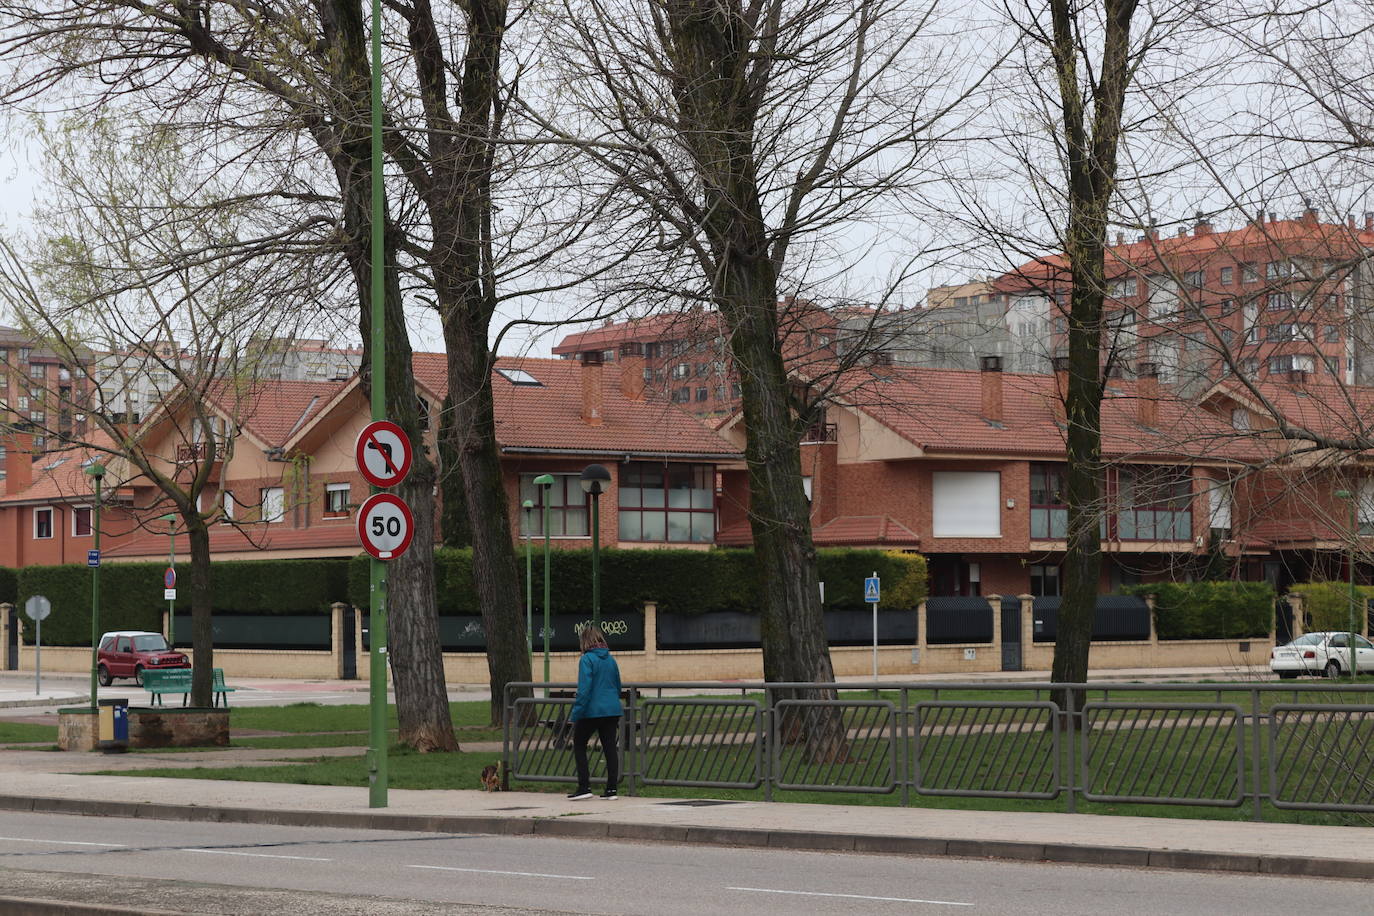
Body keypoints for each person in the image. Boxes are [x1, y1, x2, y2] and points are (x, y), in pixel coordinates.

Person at [567, 624, 623, 800]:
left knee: (579, 743)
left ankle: (584, 787)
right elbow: (618, 684)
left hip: (592, 710)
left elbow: (584, 690)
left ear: (584, 642)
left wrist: (576, 714)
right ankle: (611, 789)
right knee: (609, 748)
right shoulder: (611, 659)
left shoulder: (587, 659)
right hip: (612, 709)